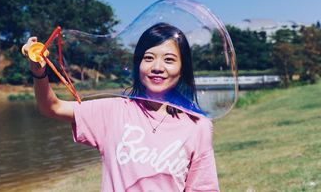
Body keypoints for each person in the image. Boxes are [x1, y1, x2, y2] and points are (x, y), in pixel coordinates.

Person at [23, 23, 219, 191]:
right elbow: (52, 107)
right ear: (138, 64)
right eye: (149, 58)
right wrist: (39, 72)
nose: (157, 67)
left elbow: (202, 188)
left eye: (169, 59)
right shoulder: (113, 111)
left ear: (182, 68)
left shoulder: (198, 125)